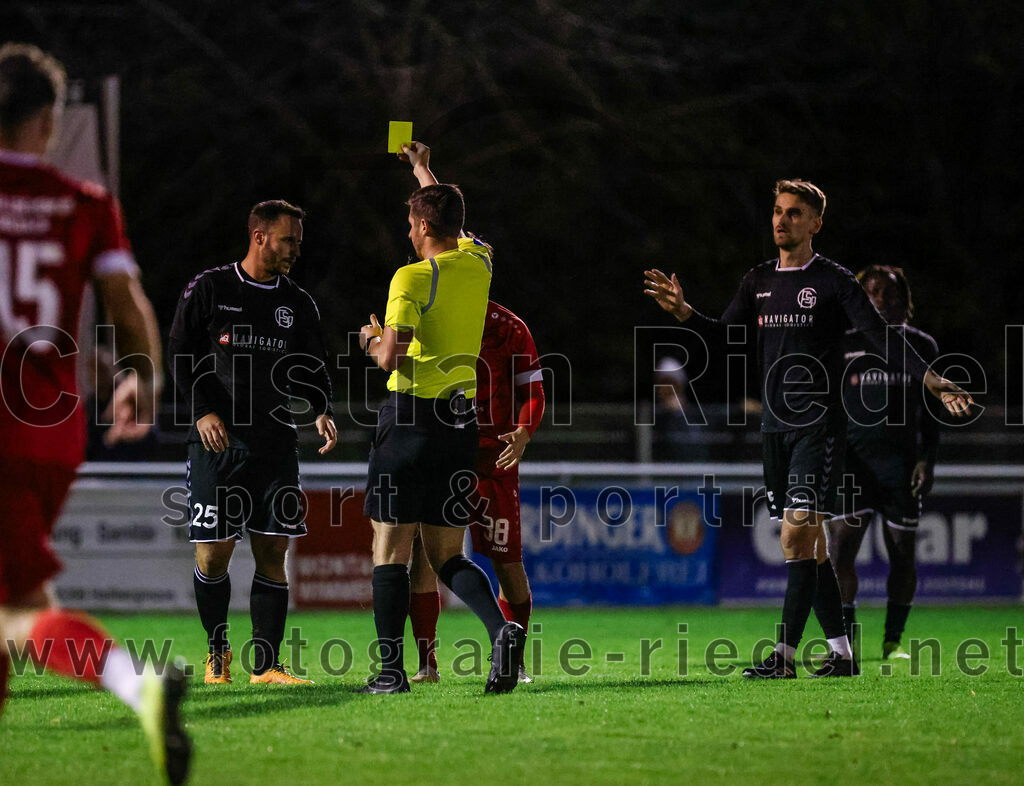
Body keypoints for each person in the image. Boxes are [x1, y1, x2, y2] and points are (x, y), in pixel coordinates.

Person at [644, 179, 973, 679]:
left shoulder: (833, 281)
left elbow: (881, 336)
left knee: (795, 537)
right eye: (778, 211)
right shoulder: (757, 279)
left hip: (819, 428)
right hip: (775, 429)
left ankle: (784, 657)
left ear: (816, 223)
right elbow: (725, 336)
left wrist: (929, 378)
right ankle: (842, 653)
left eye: (794, 213)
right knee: (812, 548)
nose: (782, 220)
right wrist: (686, 313)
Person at [0, 43, 190, 783]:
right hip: (52, 431)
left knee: (18, 614)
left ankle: (136, 683)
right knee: (13, 609)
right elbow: (127, 303)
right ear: (49, 121)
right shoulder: (85, 203)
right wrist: (140, 377)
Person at [358, 141, 525, 694]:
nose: (408, 231)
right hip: (459, 425)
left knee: (390, 550)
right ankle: (501, 631)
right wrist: (421, 169)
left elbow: (391, 356)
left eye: (412, 223)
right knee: (448, 554)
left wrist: (371, 338)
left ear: (425, 226)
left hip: (409, 421)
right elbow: (451, 217)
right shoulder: (479, 263)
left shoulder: (411, 278)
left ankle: (390, 673)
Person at [167, 199, 337, 686]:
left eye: (298, 242)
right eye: (288, 241)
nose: (295, 250)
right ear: (259, 237)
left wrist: (321, 406)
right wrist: (202, 411)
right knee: (212, 555)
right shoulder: (211, 288)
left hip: (275, 444)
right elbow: (178, 352)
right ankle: (217, 651)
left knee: (273, 550)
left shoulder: (297, 303)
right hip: (217, 443)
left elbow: (312, 365)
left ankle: (266, 665)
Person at [407, 300, 545, 684]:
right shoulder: (432, 318)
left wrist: (524, 431)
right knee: (425, 557)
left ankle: (514, 661)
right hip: (443, 454)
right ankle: (427, 665)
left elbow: (533, 391)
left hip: (493, 462)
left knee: (507, 562)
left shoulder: (510, 327)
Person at [829, 265, 940, 660]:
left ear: (904, 300)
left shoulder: (921, 345)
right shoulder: (842, 344)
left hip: (900, 468)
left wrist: (928, 459)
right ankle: (843, 646)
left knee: (903, 556)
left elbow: (932, 413)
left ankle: (893, 640)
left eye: (890, 293)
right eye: (872, 292)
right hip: (852, 466)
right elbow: (825, 405)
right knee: (840, 555)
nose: (881, 300)